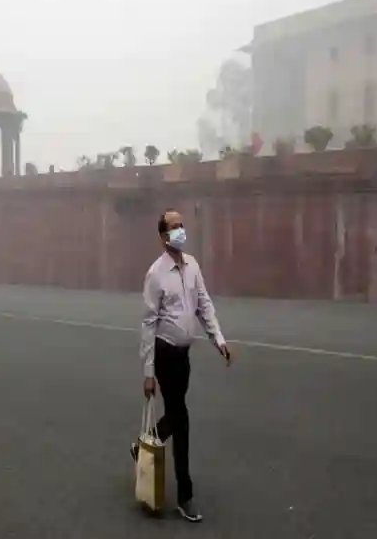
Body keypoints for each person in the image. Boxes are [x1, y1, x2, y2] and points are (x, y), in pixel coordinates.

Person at [130, 207, 232, 523]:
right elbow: (148, 323)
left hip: (184, 355)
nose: (180, 231)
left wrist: (219, 340)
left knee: (177, 412)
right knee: (182, 417)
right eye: (174, 227)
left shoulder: (192, 267)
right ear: (163, 236)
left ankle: (142, 445)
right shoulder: (155, 274)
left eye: (182, 226)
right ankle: (185, 495)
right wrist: (148, 373)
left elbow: (204, 305)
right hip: (164, 352)